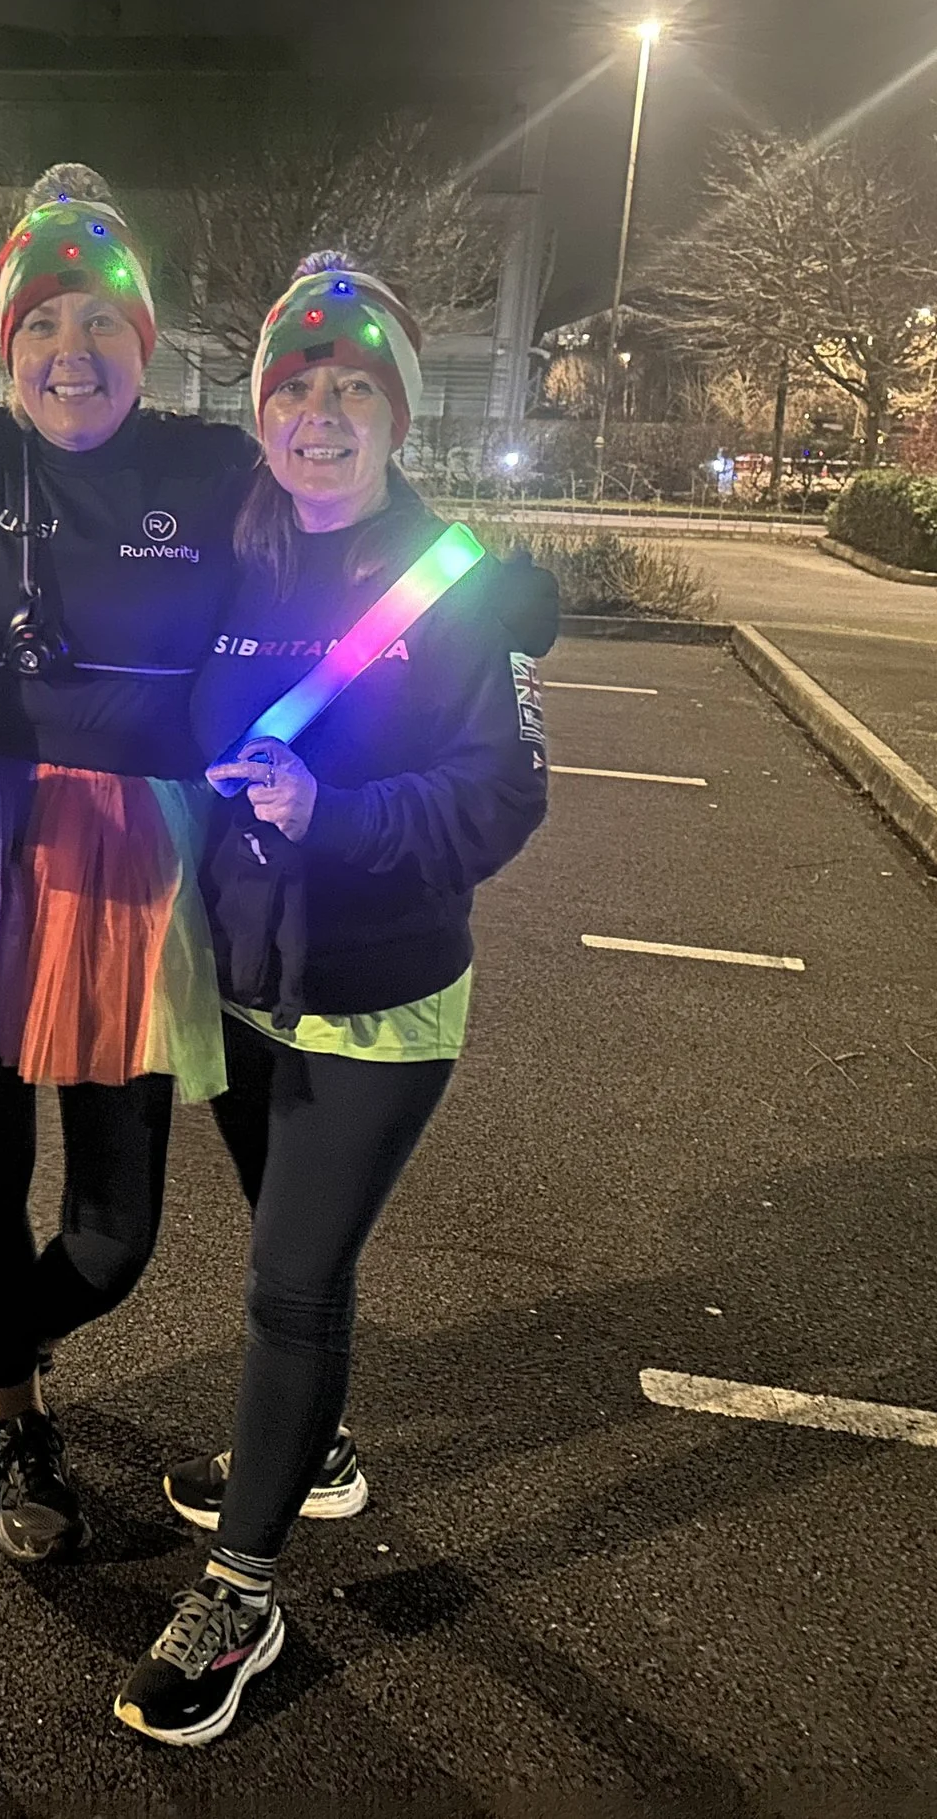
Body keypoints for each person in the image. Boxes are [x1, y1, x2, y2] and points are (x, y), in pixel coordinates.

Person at [113, 253, 552, 1744]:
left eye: (355, 388)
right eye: (297, 386)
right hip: (244, 984)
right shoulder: (241, 557)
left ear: (398, 417)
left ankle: (243, 1585)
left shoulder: (449, 579)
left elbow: (502, 797)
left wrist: (334, 816)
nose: (321, 413)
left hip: (379, 996)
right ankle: (313, 1446)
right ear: (263, 410)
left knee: (289, 1278)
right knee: (293, 1249)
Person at [0, 165, 261, 1562]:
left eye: (99, 324)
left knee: (114, 1234)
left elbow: (358, 514)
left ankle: (5, 1341)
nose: (71, 353)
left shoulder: (211, 466)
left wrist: (494, 594)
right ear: (7, 350)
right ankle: (21, 1422)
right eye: (40, 326)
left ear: (147, 341)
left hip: (138, 874)